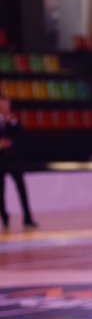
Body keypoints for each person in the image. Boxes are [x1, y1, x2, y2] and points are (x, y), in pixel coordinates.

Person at [0, 96, 37, 229]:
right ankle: (4, 216)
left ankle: (27, 217)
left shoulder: (14, 121)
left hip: (14, 161)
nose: (4, 106)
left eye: (6, 104)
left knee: (22, 189)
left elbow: (23, 137)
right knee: (1, 192)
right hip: (1, 162)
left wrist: (12, 123)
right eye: (2, 104)